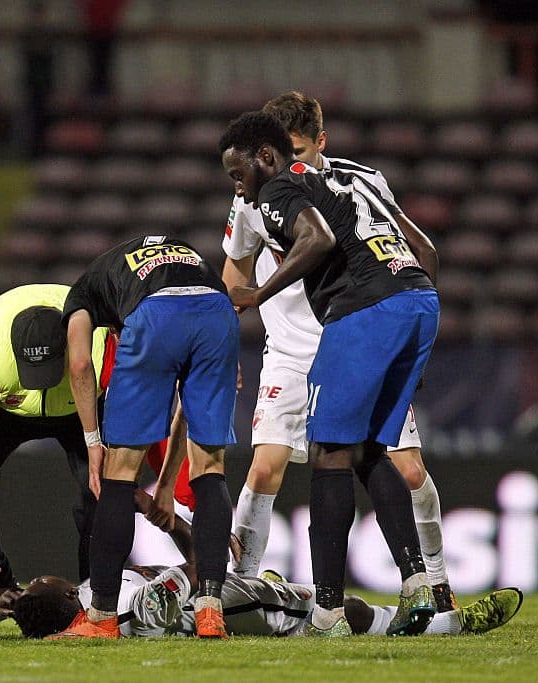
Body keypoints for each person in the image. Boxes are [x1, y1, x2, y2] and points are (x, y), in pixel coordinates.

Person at [222, 91, 457, 611]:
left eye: (301, 150)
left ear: (318, 143)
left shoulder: (355, 179)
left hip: (356, 328)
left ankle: (430, 585)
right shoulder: (252, 198)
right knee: (268, 466)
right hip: (293, 345)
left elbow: (333, 241)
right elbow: (234, 273)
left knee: (402, 465)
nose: (295, 161)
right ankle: (237, 582)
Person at [51, 235, 240, 639]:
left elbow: (81, 363)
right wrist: (168, 484)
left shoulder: (84, 289)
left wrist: (92, 443)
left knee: (121, 472)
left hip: (156, 314)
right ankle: (210, 611)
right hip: (218, 313)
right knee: (210, 465)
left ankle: (101, 617)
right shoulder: (186, 254)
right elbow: (187, 408)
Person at [11, 490, 523, 639]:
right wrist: (186, 533)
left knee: (339, 606)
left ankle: (432, 623)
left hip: (234, 589)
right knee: (347, 610)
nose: (38, 576)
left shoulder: (89, 599)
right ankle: (451, 627)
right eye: (37, 585)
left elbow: (194, 564)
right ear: (56, 601)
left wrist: (171, 522)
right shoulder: (123, 610)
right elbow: (191, 574)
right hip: (252, 609)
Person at [0, 283, 110, 637]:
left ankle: (99, 602)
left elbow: (143, 422)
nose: (40, 385)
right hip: (11, 412)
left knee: (104, 491)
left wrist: (175, 490)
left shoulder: (100, 347)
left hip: (83, 408)